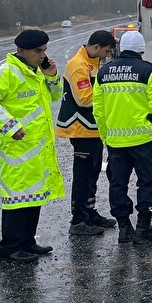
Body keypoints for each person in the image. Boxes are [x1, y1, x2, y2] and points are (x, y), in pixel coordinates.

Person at [0, 29, 65, 263]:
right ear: (21, 50)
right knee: (17, 198)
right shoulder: (7, 72)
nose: (43, 55)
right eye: (38, 51)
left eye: (45, 50)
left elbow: (56, 96)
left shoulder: (36, 72)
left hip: (38, 147)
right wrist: (10, 126)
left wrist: (52, 75)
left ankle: (27, 241)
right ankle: (10, 248)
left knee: (33, 197)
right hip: (18, 149)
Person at [93, 31, 152, 245]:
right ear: (141, 50)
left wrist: (105, 136)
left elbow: (98, 110)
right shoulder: (149, 71)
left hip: (115, 142)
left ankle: (124, 228)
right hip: (144, 140)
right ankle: (143, 227)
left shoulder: (104, 72)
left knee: (117, 184)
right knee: (149, 181)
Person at [55, 29, 117, 236]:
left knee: (92, 172)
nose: (107, 56)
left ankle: (89, 212)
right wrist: (111, 97)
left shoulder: (92, 62)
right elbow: (84, 99)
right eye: (106, 51)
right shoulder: (77, 65)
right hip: (81, 128)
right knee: (82, 175)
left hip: (93, 128)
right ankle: (78, 219)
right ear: (96, 47)